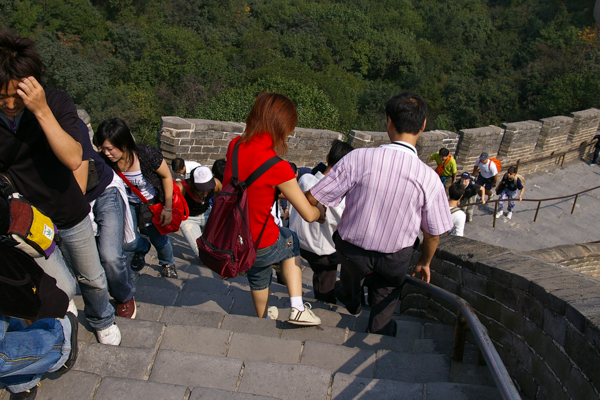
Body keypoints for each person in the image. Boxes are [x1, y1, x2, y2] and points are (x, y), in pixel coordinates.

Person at [0, 32, 121, 345]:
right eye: (2, 97)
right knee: (62, 286)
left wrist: (40, 110)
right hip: (30, 220)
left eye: (18, 95)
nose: (11, 104)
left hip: (70, 210)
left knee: (93, 278)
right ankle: (62, 321)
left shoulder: (55, 102)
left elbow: (72, 157)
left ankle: (101, 318)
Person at [307, 91, 453, 336]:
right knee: (386, 295)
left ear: (389, 122)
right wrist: (424, 262)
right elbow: (433, 234)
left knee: (350, 283)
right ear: (423, 125)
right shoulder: (429, 178)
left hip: (352, 251)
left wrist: (319, 212)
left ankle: (352, 300)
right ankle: (377, 336)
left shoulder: (359, 158)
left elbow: (314, 197)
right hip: (395, 258)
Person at [222, 92, 325, 325]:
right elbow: (308, 215)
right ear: (281, 126)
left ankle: (262, 318)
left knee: (258, 272)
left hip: (236, 236)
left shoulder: (235, 146)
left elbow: (247, 183)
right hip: (262, 238)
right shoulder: (277, 166)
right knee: (291, 240)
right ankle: (297, 308)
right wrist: (321, 212)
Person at [94, 118, 179, 279]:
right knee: (128, 241)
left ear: (123, 144)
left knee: (159, 240)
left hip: (152, 204)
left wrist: (167, 208)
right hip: (127, 204)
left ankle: (167, 262)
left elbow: (167, 176)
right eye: (103, 148)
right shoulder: (105, 161)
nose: (106, 153)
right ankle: (142, 248)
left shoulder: (146, 155)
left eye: (110, 149)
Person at [73, 119, 137, 319]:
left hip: (105, 189)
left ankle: (124, 294)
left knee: (110, 255)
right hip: (74, 199)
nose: (105, 151)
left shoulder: (68, 124)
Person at [289, 139, 354, 303]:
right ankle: (325, 306)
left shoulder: (305, 180)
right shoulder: (340, 198)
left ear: (327, 158)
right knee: (325, 284)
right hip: (322, 251)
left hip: (299, 242)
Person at [177, 166, 221, 258]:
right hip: (188, 219)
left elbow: (225, 200)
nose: (205, 194)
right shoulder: (181, 188)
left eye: (208, 190)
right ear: (190, 183)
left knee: (220, 244)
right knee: (202, 253)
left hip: (207, 213)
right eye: (200, 190)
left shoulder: (216, 184)